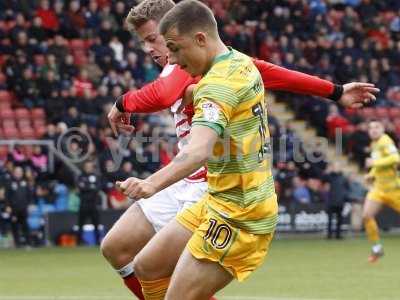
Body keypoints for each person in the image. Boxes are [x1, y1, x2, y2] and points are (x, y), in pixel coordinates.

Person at [102, 0, 379, 298]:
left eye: (156, 41)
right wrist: (334, 91)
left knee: (177, 290)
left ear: (191, 36)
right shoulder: (231, 62)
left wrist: (123, 104)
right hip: (201, 184)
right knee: (131, 257)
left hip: (227, 195)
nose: (161, 53)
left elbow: (186, 128)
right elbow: (271, 72)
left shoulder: (209, 79)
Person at [363, 120, 400, 262]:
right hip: (379, 188)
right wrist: (371, 174)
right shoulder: (374, 144)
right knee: (366, 215)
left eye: (377, 127)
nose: (373, 130)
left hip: (393, 189)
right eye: (370, 127)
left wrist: (374, 163)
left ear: (383, 129)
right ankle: (377, 249)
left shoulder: (385, 141)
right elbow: (379, 165)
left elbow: (396, 158)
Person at [76, 160, 102, 245]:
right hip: (83, 204)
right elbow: (81, 187)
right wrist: (91, 186)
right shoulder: (80, 176)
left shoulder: (96, 176)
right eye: (87, 166)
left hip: (93, 204)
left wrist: (87, 186)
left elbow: (97, 188)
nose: (89, 168)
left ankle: (98, 241)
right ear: (84, 167)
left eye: (90, 166)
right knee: (81, 223)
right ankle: (79, 242)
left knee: (96, 223)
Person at [7, 166, 33, 248]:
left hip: (24, 208)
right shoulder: (10, 182)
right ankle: (17, 244)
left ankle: (28, 243)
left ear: (22, 173)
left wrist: (30, 205)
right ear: (14, 173)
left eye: (20, 172)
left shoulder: (25, 182)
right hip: (14, 209)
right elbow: (7, 196)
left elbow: (29, 195)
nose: (18, 173)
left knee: (25, 225)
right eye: (17, 172)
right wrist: (7, 206)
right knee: (14, 226)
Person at [324, 162, 349, 240]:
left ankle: (338, 234)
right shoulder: (330, 176)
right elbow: (324, 179)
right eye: (335, 167)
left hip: (340, 201)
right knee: (330, 219)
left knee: (339, 220)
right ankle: (329, 235)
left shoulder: (343, 178)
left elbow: (346, 188)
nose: (337, 168)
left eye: (338, 167)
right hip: (331, 200)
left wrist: (344, 198)